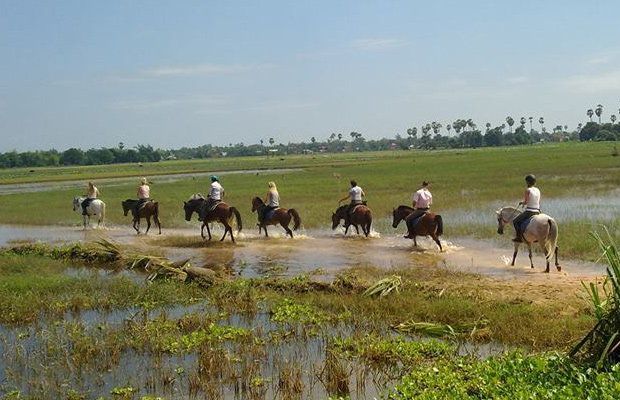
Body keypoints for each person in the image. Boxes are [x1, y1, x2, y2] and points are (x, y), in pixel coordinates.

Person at [512, 174, 540, 242]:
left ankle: (519, 238)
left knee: (515, 221)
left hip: (530, 211)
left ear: (527, 182)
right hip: (538, 211)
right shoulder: (537, 189)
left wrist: (522, 202)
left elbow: (526, 202)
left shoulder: (527, 190)